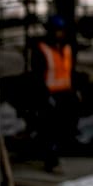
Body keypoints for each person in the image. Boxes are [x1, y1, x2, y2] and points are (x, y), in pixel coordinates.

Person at [30, 14, 79, 173]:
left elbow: (70, 71)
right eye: (56, 30)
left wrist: (75, 90)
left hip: (65, 94)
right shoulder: (41, 50)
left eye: (61, 30)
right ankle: (51, 161)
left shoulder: (66, 48)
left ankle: (58, 153)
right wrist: (45, 96)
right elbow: (37, 76)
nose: (59, 34)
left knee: (64, 127)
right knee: (50, 130)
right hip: (49, 95)